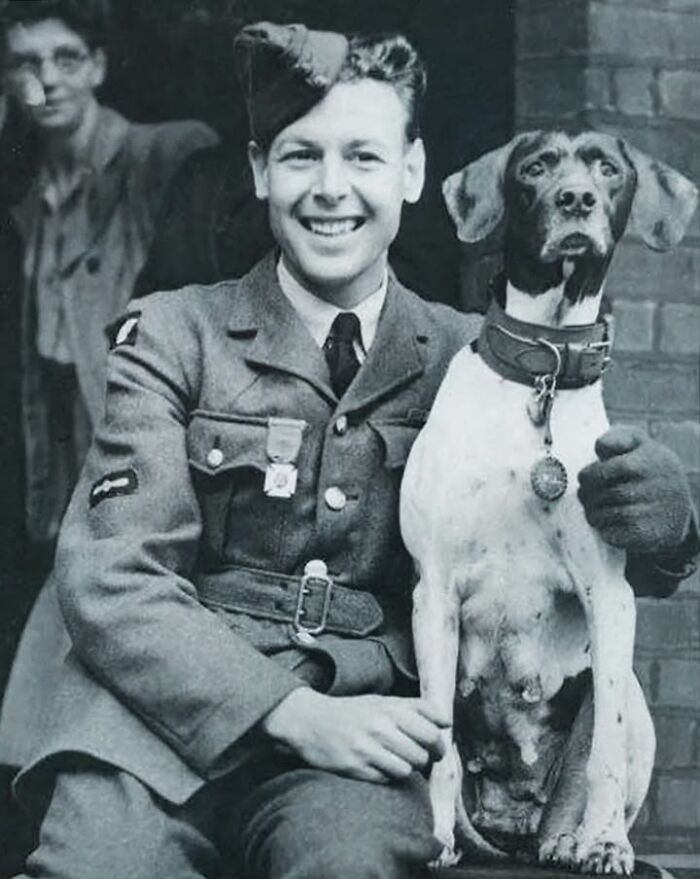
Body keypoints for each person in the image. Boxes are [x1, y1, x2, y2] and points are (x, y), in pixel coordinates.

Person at [11, 22, 698, 879]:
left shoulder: (478, 358)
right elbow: (112, 580)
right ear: (260, 169)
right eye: (302, 157)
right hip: (151, 738)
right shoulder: (172, 335)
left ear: (411, 172)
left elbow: (568, 549)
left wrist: (670, 531)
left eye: (365, 158)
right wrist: (286, 709)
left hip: (359, 747)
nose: (332, 189)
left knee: (351, 866)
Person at [0, 0, 218, 772]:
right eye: (23, 64)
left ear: (95, 67)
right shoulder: (24, 191)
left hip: (144, 446)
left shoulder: (163, 158)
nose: (44, 82)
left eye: (63, 59)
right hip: (58, 454)